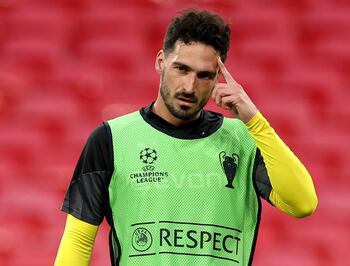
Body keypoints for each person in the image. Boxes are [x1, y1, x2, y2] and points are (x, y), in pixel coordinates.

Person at [54, 8, 318, 266]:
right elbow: (78, 239)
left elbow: (302, 203)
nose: (190, 87)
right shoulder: (111, 139)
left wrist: (255, 121)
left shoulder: (243, 140)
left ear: (217, 78)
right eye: (181, 69)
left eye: (204, 76)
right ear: (161, 61)